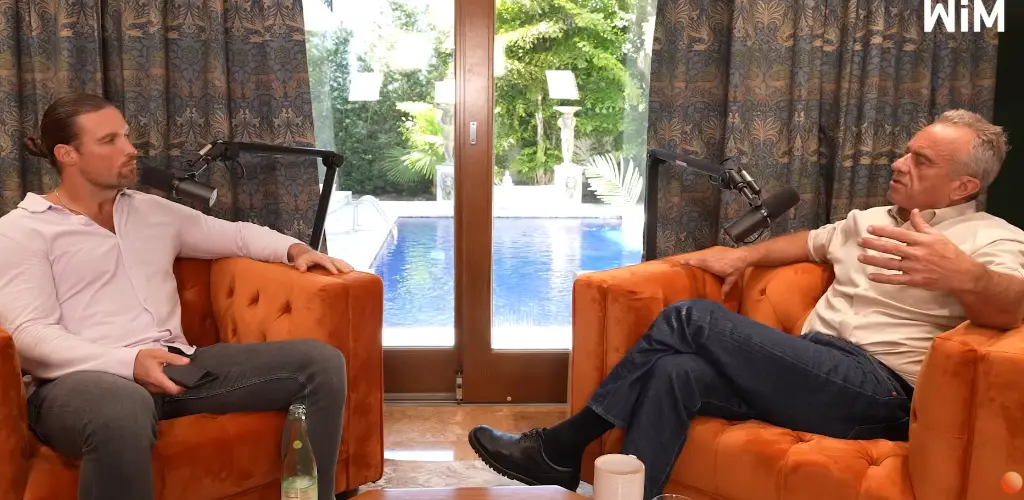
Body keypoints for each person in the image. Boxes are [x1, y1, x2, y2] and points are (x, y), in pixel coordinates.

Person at [468, 109, 1024, 499]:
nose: (900, 164)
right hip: (811, 365)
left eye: (921, 160)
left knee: (690, 317)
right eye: (906, 151)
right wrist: (743, 256)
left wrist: (965, 275)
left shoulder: (990, 238)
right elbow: (809, 243)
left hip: (880, 390)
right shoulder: (871, 219)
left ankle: (562, 446)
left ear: (962, 187)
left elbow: (1013, 305)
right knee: (674, 371)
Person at [0, 93, 354, 500]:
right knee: (121, 408)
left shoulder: (150, 211)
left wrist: (295, 249)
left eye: (126, 136)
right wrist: (130, 362)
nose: (130, 149)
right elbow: (30, 335)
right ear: (67, 154)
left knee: (319, 363)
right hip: (82, 384)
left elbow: (238, 235)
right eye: (110, 140)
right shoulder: (22, 231)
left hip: (178, 365)